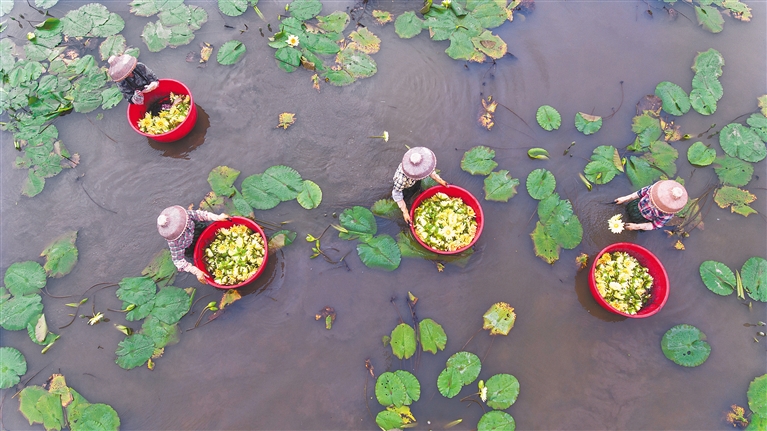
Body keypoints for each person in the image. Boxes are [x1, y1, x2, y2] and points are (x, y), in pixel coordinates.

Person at [157, 205, 230, 284]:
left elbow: (199, 215)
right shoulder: (174, 243)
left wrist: (217, 217)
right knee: (197, 256)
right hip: (190, 245)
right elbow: (178, 261)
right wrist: (196, 271)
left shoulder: (182, 215)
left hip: (196, 229)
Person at [392, 147, 448, 224]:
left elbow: (430, 172)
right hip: (406, 187)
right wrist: (405, 212)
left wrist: (441, 181)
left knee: (418, 189)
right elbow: (396, 193)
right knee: (408, 198)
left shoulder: (421, 158)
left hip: (414, 181)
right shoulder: (401, 179)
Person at [614, 180, 688, 231]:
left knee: (632, 224)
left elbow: (655, 225)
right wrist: (625, 198)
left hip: (643, 219)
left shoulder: (667, 215)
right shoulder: (653, 190)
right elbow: (639, 193)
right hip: (636, 205)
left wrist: (636, 227)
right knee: (627, 210)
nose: (653, 202)